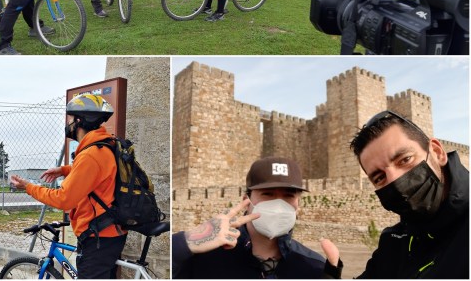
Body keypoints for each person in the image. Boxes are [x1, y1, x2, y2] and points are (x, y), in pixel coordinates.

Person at [10, 94, 126, 278]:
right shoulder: (105, 146)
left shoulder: (91, 154)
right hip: (109, 232)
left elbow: (63, 199)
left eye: (70, 119)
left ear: (79, 121)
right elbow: (98, 173)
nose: (68, 124)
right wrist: (64, 170)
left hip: (98, 237)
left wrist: (28, 187)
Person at [172, 157, 342, 278]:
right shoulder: (203, 258)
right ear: (246, 201)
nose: (278, 205)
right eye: (267, 194)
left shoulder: (313, 265)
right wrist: (182, 245)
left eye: (288, 196)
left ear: (298, 204)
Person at [349, 110, 469, 278]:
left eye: (405, 159)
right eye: (379, 177)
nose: (394, 180)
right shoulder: (394, 242)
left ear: (437, 152)